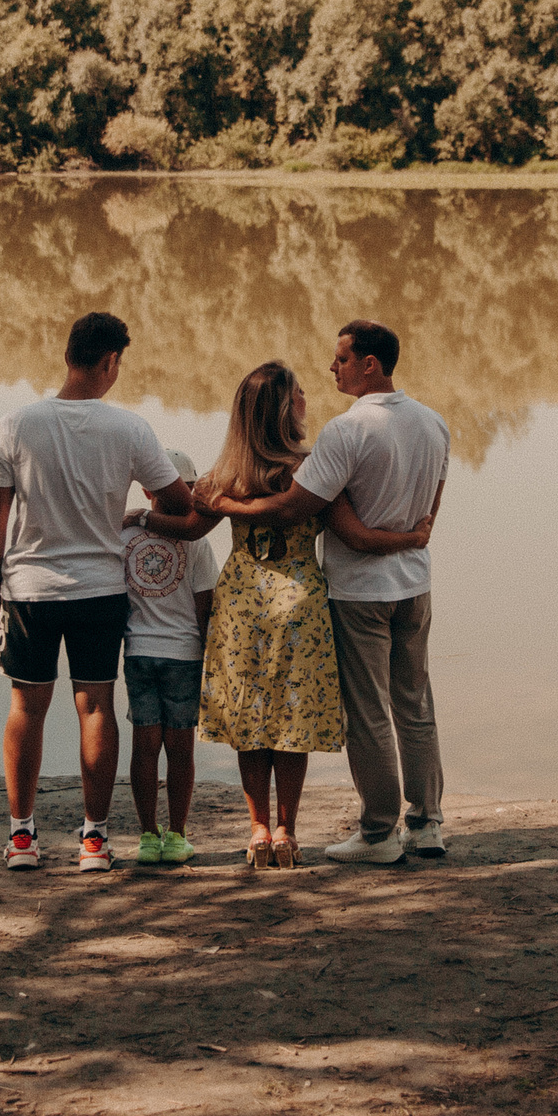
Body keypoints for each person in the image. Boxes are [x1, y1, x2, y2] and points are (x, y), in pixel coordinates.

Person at [203, 320, 449, 866]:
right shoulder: (434, 424)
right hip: (416, 584)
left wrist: (228, 506)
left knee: (368, 714)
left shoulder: (346, 432)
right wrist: (412, 539)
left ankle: (380, 831)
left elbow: (295, 507)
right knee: (415, 705)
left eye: (341, 359)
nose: (331, 368)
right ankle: (427, 823)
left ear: (370, 364)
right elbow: (432, 504)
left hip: (362, 590)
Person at [0, 310, 199, 875]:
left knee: (26, 707)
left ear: (67, 356)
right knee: (96, 707)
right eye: (118, 364)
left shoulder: (15, 425)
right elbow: (175, 502)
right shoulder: (130, 429)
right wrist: (140, 513)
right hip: (100, 590)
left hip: (29, 587)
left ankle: (23, 839)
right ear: (109, 361)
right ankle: (94, 842)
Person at [118, 449, 218, 865]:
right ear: (190, 490)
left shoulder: (124, 536)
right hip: (183, 655)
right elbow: (204, 606)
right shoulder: (197, 543)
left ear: (147, 490)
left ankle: (147, 836)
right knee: (180, 749)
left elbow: (115, 598)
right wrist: (210, 654)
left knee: (144, 746)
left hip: (139, 650)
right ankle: (177, 835)